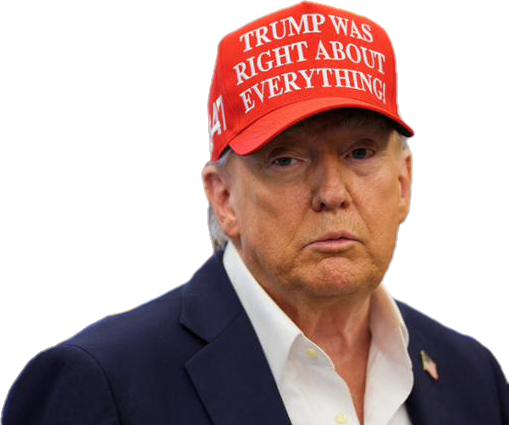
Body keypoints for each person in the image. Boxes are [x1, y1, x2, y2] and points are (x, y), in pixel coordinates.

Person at [2, 2, 507, 424]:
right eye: (285, 159)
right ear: (223, 198)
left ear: (403, 182)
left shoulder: (473, 376)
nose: (332, 193)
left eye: (360, 152)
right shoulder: (102, 384)